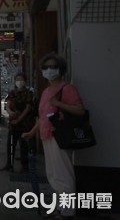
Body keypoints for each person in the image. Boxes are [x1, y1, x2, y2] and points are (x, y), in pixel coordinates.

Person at [22, 53, 85, 219]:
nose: (49, 70)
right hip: (46, 136)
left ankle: (67, 212)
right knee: (53, 175)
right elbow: (43, 117)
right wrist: (32, 132)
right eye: (46, 67)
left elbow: (80, 110)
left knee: (63, 175)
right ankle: (59, 208)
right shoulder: (46, 91)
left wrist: (58, 104)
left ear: (60, 69)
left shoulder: (67, 88)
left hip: (60, 136)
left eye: (53, 67)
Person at [0, 72, 35, 173]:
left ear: (25, 81)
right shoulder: (12, 93)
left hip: (25, 123)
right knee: (10, 144)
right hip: (13, 123)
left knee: (23, 145)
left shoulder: (29, 93)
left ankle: (25, 166)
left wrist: (19, 119)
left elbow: (28, 107)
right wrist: (10, 113)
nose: (19, 82)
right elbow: (8, 105)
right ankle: (9, 164)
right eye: (17, 80)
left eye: (21, 79)